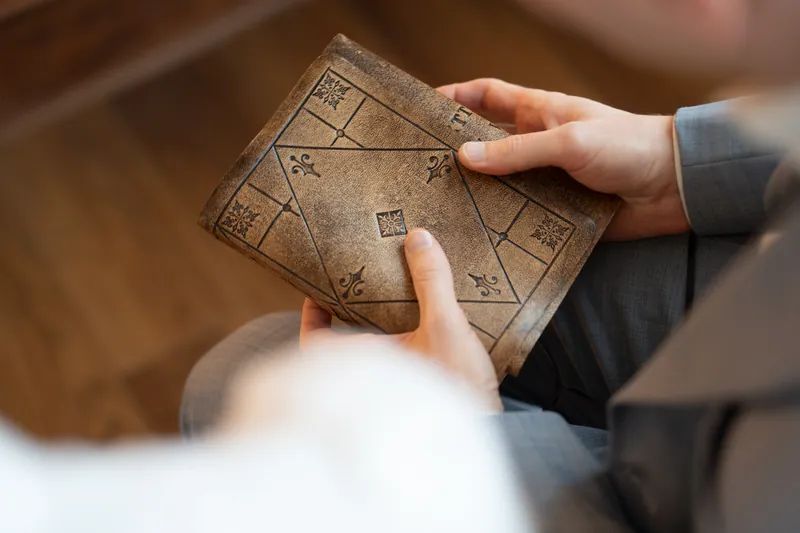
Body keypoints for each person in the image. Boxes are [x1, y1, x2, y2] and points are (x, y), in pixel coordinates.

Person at [182, 1, 800, 531]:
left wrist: (459, 437)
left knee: (242, 383)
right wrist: (681, 163)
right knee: (268, 372)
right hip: (754, 282)